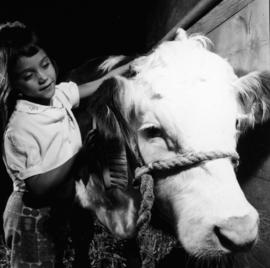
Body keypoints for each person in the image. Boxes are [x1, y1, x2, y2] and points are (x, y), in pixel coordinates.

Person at [0, 21, 127, 267]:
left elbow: (95, 85)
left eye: (45, 65)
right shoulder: (20, 128)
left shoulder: (58, 96)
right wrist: (80, 156)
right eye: (28, 76)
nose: (43, 77)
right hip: (32, 214)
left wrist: (135, 64)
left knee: (57, 255)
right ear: (15, 84)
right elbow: (37, 187)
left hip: (60, 203)